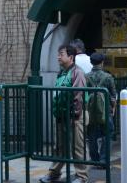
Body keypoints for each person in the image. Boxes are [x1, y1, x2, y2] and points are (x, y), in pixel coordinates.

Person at [39, 44, 88, 183]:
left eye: (61, 54)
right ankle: (54, 173)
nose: (58, 57)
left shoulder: (77, 72)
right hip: (61, 115)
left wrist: (75, 114)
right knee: (59, 146)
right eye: (58, 54)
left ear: (71, 57)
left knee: (77, 147)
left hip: (75, 115)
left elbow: (78, 95)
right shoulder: (62, 72)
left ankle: (81, 176)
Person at [85, 53, 116, 166]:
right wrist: (113, 108)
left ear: (91, 62)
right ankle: (103, 160)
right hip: (105, 109)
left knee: (91, 134)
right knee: (107, 133)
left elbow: (83, 94)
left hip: (90, 110)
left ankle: (94, 159)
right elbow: (113, 95)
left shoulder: (86, 76)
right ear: (102, 62)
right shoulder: (108, 77)